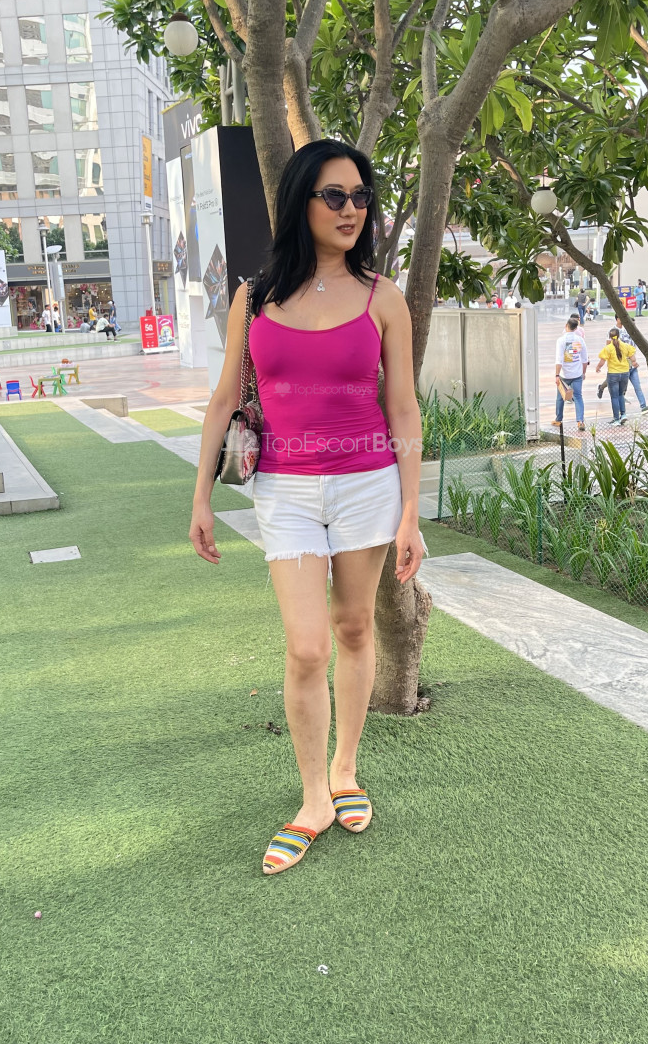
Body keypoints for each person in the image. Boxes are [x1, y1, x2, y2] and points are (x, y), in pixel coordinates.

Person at [189, 139, 428, 877]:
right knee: (306, 647)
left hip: (367, 485)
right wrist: (200, 497)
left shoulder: (382, 298)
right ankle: (312, 797)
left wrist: (411, 512)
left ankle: (345, 770)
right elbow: (225, 400)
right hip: (285, 490)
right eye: (334, 196)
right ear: (301, 201)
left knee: (354, 627)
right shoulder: (255, 297)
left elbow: (403, 409)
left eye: (360, 197)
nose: (351, 210)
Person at [596, 317, 648, 414]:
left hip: (630, 365)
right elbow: (609, 346)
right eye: (632, 324)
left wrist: (633, 361)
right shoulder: (618, 333)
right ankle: (602, 388)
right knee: (613, 383)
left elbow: (631, 349)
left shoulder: (635, 334)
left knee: (636, 386)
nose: (634, 326)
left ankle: (643, 406)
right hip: (621, 366)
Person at [553, 314, 589, 431]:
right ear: (576, 328)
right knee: (578, 397)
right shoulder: (580, 340)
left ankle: (558, 419)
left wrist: (557, 375)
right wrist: (583, 373)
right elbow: (584, 359)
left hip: (564, 375)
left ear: (566, 326)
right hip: (577, 373)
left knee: (560, 397)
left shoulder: (561, 340)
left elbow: (559, 359)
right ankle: (580, 421)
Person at [595, 328, 636, 425]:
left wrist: (598, 367)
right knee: (621, 394)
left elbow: (602, 361)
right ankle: (623, 415)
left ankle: (616, 419)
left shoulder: (608, 348)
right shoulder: (625, 346)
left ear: (610, 337)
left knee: (614, 397)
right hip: (625, 373)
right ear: (619, 336)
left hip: (613, 374)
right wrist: (634, 362)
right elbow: (633, 358)